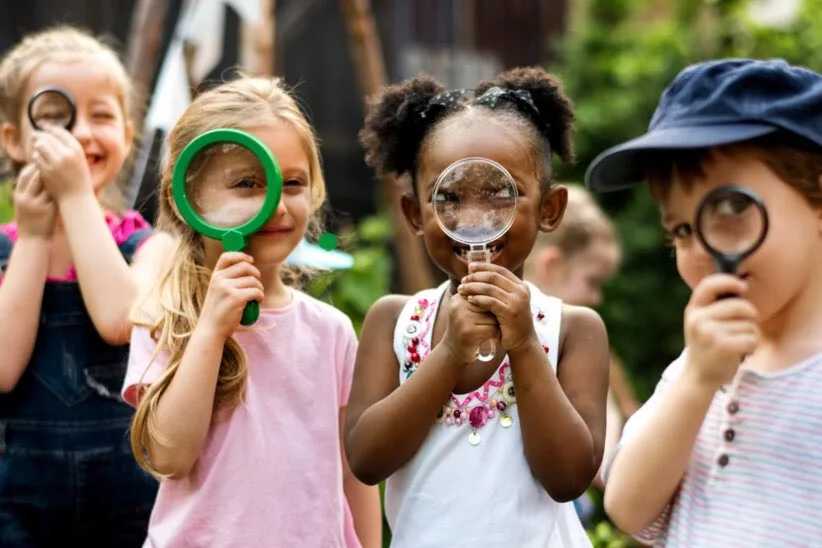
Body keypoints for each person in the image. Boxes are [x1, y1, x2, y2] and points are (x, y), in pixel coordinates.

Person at [346, 67, 610, 547]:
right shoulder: (394, 322)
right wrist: (447, 354)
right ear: (414, 215)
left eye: (498, 194)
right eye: (448, 198)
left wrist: (526, 344)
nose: (473, 220)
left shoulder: (573, 331)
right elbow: (366, 460)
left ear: (550, 209)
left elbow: (569, 477)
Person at [123, 76, 381, 548]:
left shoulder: (332, 332)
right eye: (247, 184)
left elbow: (354, 472)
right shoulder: (166, 316)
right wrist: (210, 331)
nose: (276, 206)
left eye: (295, 183)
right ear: (189, 200)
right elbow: (168, 455)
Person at [586, 58, 822, 546]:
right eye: (681, 230)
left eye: (732, 209)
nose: (703, 250)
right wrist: (696, 379)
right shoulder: (701, 365)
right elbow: (627, 506)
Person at [0, 26, 171, 547]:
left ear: (128, 130)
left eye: (101, 114)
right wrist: (32, 237)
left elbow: (121, 319)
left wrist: (75, 198)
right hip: (17, 505)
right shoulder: (7, 248)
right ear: (12, 138)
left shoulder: (150, 246)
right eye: (56, 116)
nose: (80, 132)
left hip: (128, 498)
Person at [524, 184, 639, 524]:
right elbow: (604, 468)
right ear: (552, 265)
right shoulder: (561, 352)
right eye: (592, 281)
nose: (597, 298)